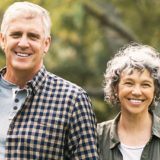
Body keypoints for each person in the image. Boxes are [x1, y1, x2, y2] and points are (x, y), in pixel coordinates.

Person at [0, 2, 99, 159]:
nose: (23, 43)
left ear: (45, 44)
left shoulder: (73, 100)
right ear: (3, 40)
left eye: (33, 36)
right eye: (16, 34)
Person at [97, 43, 160, 160]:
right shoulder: (96, 137)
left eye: (145, 85)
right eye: (129, 83)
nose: (136, 92)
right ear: (115, 88)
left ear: (155, 91)